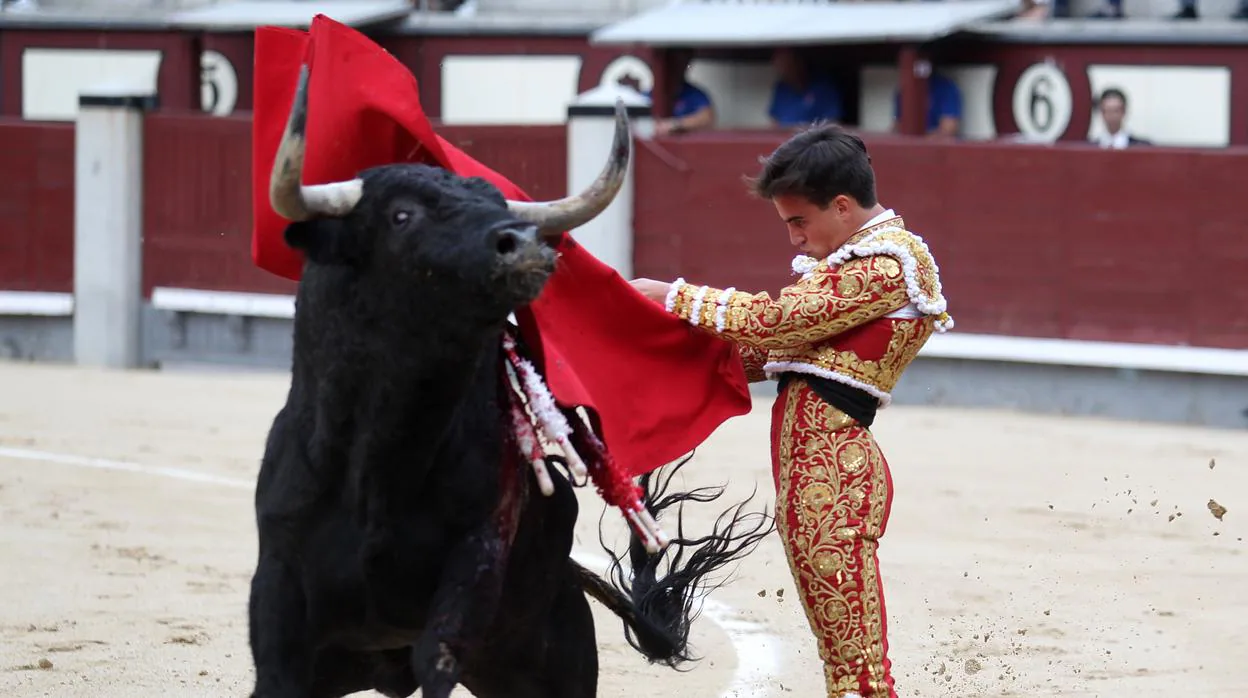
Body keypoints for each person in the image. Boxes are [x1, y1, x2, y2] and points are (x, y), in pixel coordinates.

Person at [629, 122, 953, 698]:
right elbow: (764, 349)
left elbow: (782, 320)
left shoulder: (887, 265)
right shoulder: (855, 267)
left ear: (844, 206)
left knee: (859, 674)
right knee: (848, 667)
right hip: (815, 478)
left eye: (799, 221)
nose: (794, 239)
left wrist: (677, 297)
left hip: (835, 478)